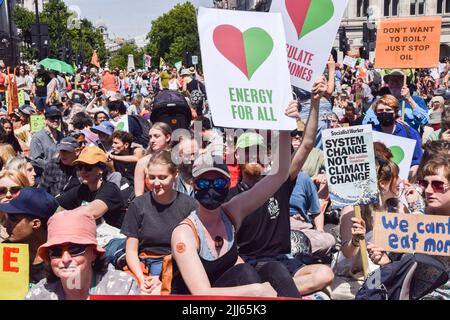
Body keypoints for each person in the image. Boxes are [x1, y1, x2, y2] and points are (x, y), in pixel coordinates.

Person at [228, 78, 334, 297]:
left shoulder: (278, 182)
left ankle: (271, 292)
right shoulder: (231, 199)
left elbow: (306, 144)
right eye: (248, 151)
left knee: (325, 274)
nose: (254, 156)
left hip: (284, 261)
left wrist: (314, 103)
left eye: (258, 149)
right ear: (237, 157)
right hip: (252, 264)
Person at [169, 149, 300, 297]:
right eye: (204, 183)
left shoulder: (231, 214)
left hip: (227, 294)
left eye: (218, 182)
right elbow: (201, 292)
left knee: (275, 270)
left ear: (227, 184)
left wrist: (284, 128)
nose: (211, 188)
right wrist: (257, 291)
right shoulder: (184, 234)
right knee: (245, 273)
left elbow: (279, 175)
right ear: (194, 185)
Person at [367, 156, 450, 299]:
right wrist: (385, 261)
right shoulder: (412, 222)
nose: (429, 190)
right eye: (425, 184)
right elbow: (395, 267)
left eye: (437, 184)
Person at [121, 151, 197, 294]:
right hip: (143, 263)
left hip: (176, 265)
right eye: (151, 177)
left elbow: (194, 249)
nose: (156, 183)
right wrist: (141, 278)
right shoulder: (138, 205)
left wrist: (163, 277)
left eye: (162, 177)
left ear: (175, 175)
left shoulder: (189, 205)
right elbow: (131, 250)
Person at [25, 211, 140, 300]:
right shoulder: (39, 294)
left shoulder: (121, 287)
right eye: (56, 251)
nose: (65, 259)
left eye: (75, 249)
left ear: (94, 253)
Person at [56, 146, 125, 231]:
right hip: (93, 239)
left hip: (117, 239)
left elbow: (92, 212)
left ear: (101, 169)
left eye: (88, 167)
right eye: (80, 167)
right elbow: (54, 203)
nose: (83, 171)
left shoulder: (110, 189)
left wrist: (62, 216)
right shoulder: (82, 189)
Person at [0, 188, 59, 285]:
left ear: (35, 223)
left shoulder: (60, 258)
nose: (5, 224)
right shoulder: (7, 249)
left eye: (13, 219)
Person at [371, 95, 423, 178]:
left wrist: (407, 179)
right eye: (380, 110)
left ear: (395, 112)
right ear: (376, 113)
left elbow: (416, 162)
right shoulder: (371, 134)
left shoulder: (410, 133)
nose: (384, 112)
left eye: (388, 110)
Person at [363, 70, 429, 130]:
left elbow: (425, 121)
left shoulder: (417, 100)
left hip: (409, 139)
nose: (395, 83)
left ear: (405, 83)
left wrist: (409, 99)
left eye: (398, 80)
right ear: (388, 84)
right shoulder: (380, 101)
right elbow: (366, 122)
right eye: (392, 80)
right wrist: (389, 121)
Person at [134, 122, 172, 196]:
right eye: (150, 137)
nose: (152, 140)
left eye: (156, 136)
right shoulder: (143, 162)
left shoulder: (176, 159)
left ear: (167, 137)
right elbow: (139, 195)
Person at [29, 107, 64, 175]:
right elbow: (36, 160)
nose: (56, 120)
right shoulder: (37, 137)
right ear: (45, 120)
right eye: (52, 118)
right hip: (45, 175)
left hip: (61, 173)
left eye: (58, 118)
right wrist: (52, 165)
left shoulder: (61, 135)